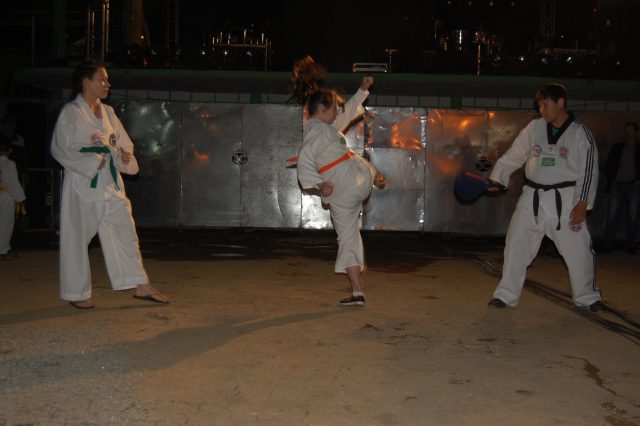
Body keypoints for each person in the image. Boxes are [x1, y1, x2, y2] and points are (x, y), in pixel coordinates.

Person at [50, 59, 169, 309]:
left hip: (111, 183)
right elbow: (59, 149)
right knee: (76, 238)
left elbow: (123, 144)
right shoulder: (71, 113)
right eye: (102, 79)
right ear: (86, 82)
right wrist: (93, 162)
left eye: (106, 79)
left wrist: (123, 157)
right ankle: (76, 291)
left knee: (125, 230)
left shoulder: (109, 113)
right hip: (83, 182)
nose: (107, 84)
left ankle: (140, 284)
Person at [486, 83, 603, 312]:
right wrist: (498, 179)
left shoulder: (580, 133)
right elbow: (515, 154)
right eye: (539, 105)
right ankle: (505, 295)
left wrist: (583, 202)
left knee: (578, 251)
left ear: (561, 103)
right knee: (516, 244)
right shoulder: (535, 127)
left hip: (567, 200)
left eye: (546, 104)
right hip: (532, 197)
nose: (541, 109)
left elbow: (589, 170)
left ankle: (587, 297)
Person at [297, 88, 386, 306]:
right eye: (334, 109)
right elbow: (305, 158)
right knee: (350, 237)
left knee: (347, 238)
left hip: (345, 188)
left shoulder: (322, 129)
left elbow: (305, 157)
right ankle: (357, 292)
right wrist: (319, 183)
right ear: (322, 108)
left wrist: (319, 184)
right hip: (356, 181)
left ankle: (357, 292)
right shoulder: (321, 130)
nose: (338, 113)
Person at [600, 122, 640, 254]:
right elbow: (609, 164)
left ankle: (631, 245)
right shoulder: (617, 147)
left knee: (633, 216)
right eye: (626, 131)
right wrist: (611, 179)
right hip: (617, 183)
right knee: (612, 215)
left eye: (630, 131)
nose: (628, 134)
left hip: (634, 184)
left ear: (636, 133)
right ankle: (606, 244)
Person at [0, 135, 26, 259]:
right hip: (5, 196)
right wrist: (20, 199)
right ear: (10, 150)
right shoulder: (9, 164)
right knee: (5, 223)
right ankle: (2, 250)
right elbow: (13, 183)